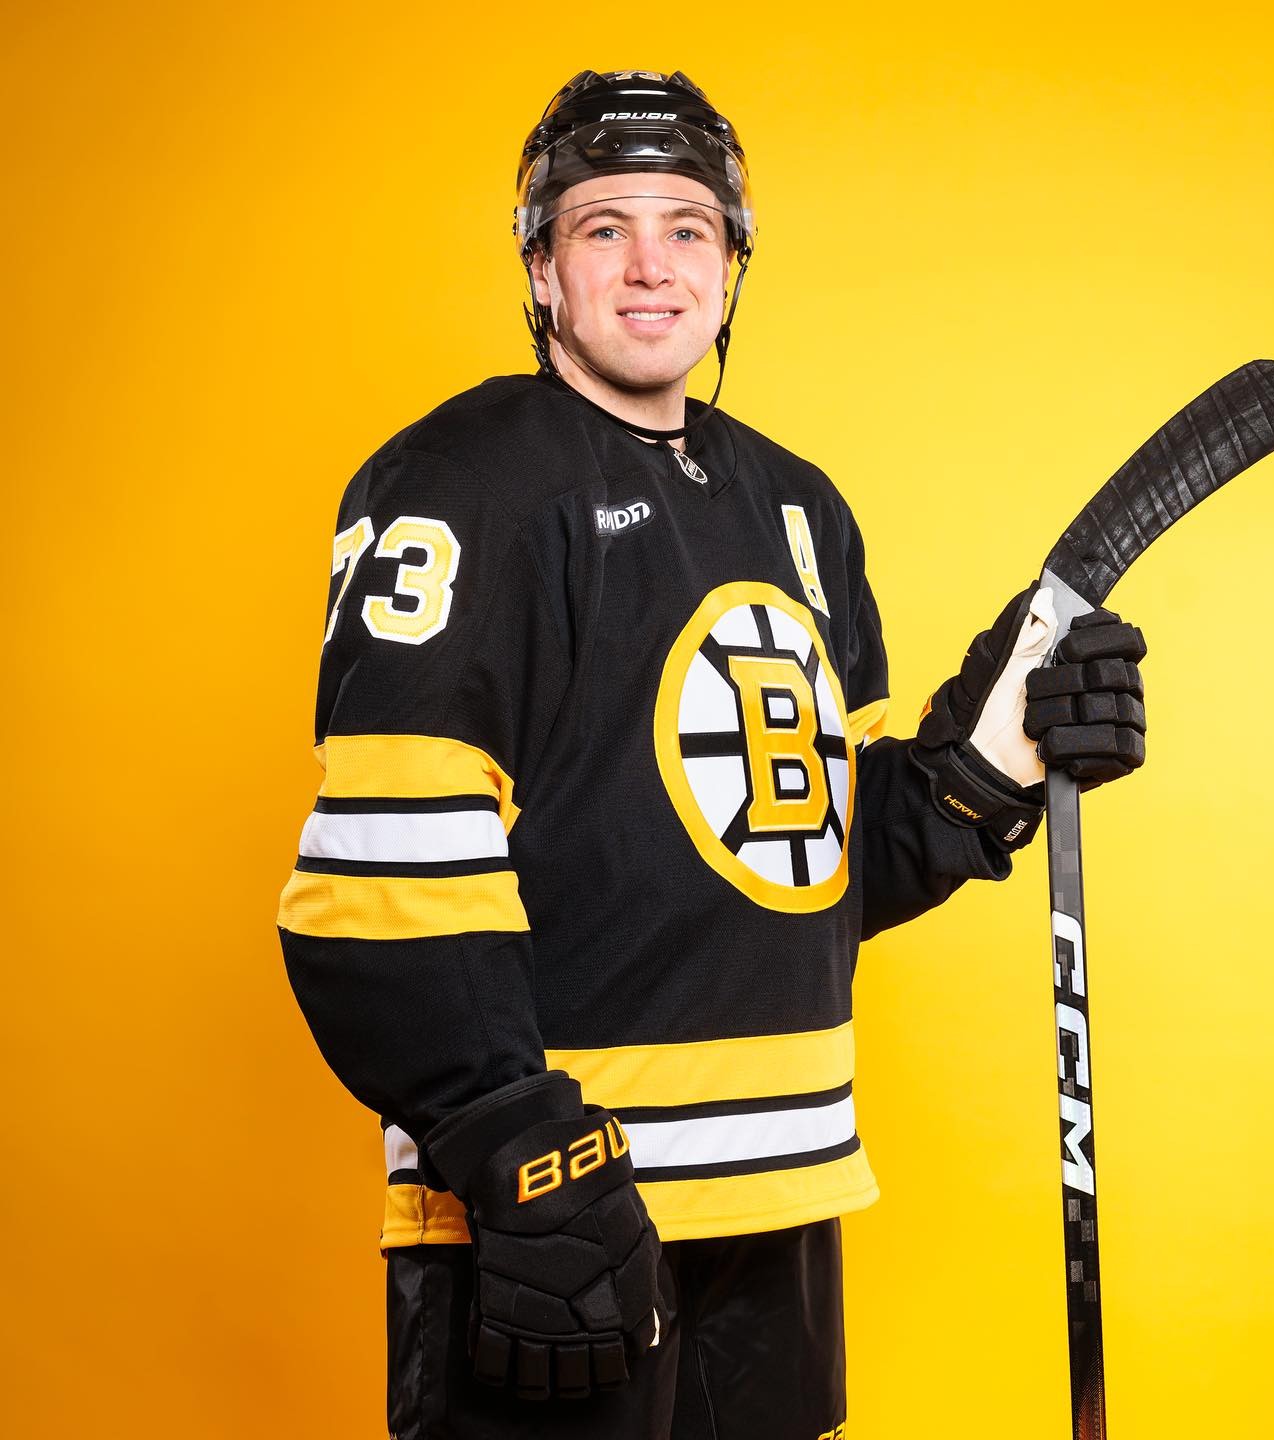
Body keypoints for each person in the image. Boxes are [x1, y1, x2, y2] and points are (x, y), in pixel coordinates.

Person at [276, 69, 1148, 1440]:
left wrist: (995, 760)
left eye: (688, 228)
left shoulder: (800, 507)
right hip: (564, 1214)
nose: (651, 266)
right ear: (541, 268)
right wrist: (514, 1143)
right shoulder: (464, 482)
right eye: (603, 227)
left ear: (732, 266)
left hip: (786, 1195)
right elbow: (381, 874)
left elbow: (818, 867)